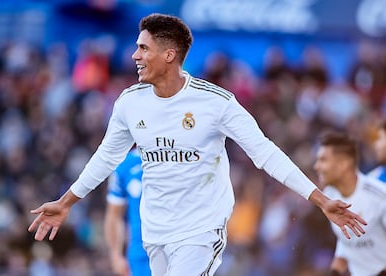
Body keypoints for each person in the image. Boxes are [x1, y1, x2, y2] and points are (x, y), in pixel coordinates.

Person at [28, 13, 367, 276]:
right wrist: (67, 201)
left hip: (201, 230)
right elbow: (106, 156)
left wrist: (320, 200)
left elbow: (264, 152)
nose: (134, 55)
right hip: (154, 230)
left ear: (169, 55)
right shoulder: (129, 103)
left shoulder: (216, 103)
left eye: (143, 48)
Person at [314, 131, 386, 276]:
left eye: (323, 160)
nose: (317, 166)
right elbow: (348, 243)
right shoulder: (329, 196)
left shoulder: (379, 196)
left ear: (343, 164)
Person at [104, 148, 151, 276]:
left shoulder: (177, 157)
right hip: (140, 254)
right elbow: (114, 214)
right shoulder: (125, 165)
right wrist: (115, 254)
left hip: (176, 244)